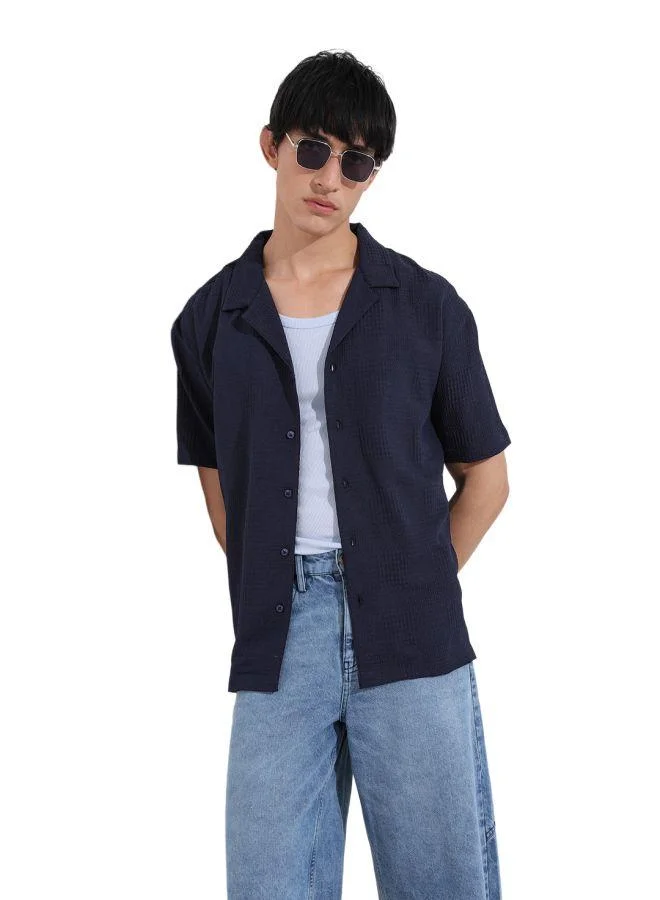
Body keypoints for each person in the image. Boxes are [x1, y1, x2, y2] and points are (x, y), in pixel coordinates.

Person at [171, 49, 511, 900]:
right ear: (271, 146)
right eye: (314, 150)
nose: (330, 178)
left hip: (413, 633)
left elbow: (487, 478)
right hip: (279, 639)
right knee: (268, 882)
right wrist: (282, 583)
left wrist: (409, 579)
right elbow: (221, 490)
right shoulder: (210, 319)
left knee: (440, 883)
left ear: (371, 178)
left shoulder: (427, 306)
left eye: (356, 163)